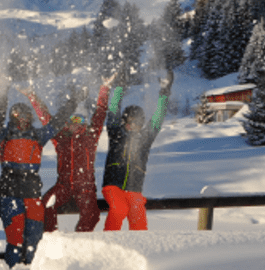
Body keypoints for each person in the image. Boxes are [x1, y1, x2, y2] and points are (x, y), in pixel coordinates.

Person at [0, 87, 76, 266]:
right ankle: (13, 266)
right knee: (15, 240)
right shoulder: (4, 135)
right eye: (18, 116)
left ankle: (32, 266)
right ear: (12, 117)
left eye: (25, 116)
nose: (22, 120)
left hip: (32, 192)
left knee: (34, 240)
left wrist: (74, 101)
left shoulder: (37, 135)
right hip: (10, 193)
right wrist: (0, 91)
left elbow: (57, 122)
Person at [26, 75, 115, 233]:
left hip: (85, 187)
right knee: (46, 203)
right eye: (73, 119)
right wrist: (33, 98)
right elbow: (46, 118)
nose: (77, 122)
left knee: (92, 215)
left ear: (85, 123)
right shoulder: (61, 138)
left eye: (81, 119)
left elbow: (100, 114)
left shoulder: (90, 137)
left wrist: (105, 89)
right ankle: (51, 237)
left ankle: (79, 240)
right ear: (68, 122)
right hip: (64, 185)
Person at [102, 71, 174, 231]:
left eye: (137, 123)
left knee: (138, 216)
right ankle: (109, 241)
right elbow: (113, 111)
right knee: (119, 209)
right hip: (113, 186)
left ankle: (139, 246)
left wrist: (164, 93)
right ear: (124, 121)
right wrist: (119, 87)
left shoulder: (144, 139)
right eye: (129, 122)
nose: (133, 126)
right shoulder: (116, 133)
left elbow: (157, 119)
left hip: (134, 188)